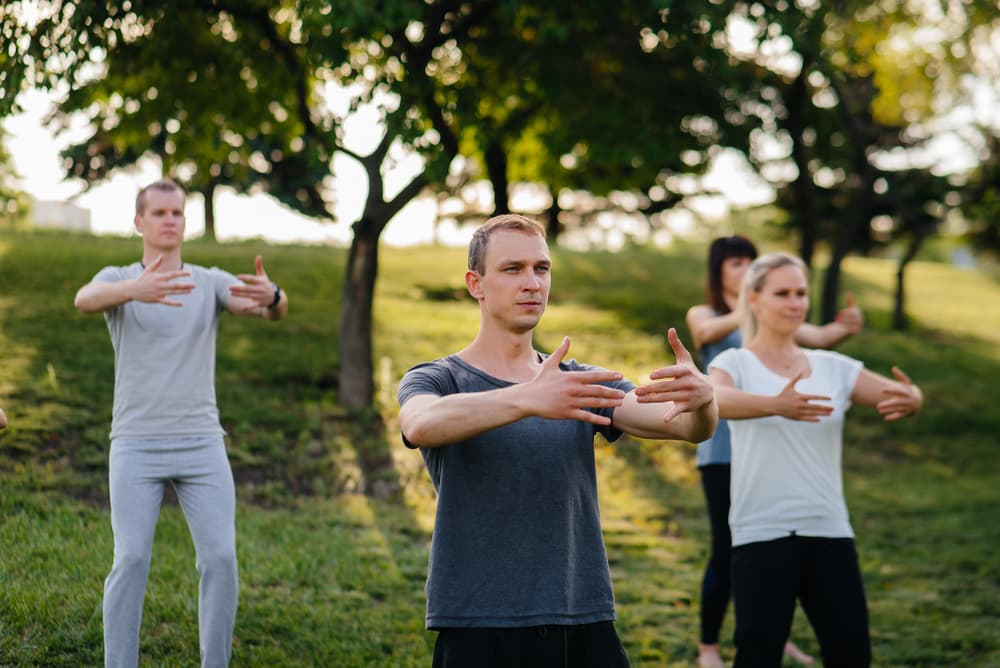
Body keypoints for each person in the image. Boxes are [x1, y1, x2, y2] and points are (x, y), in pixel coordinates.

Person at [397, 214, 718, 668]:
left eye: (541, 268)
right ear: (476, 284)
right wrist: (528, 398)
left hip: (582, 620)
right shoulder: (439, 377)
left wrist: (703, 400)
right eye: (513, 269)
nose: (532, 283)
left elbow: (684, 427)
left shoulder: (578, 381)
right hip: (479, 625)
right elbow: (420, 424)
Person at [74, 178, 289, 668]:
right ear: (139, 222)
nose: (170, 221)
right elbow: (83, 300)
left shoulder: (208, 281)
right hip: (134, 444)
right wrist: (135, 289)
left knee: (220, 560)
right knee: (129, 560)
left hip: (201, 445)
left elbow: (264, 309)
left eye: (177, 213)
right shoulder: (118, 277)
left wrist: (274, 296)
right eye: (160, 213)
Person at [707, 252, 922, 667]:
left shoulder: (834, 367)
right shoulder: (734, 362)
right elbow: (715, 399)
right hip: (761, 531)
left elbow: (900, 394)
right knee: (757, 656)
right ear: (754, 299)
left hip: (828, 529)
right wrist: (775, 404)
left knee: (851, 653)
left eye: (801, 293)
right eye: (782, 293)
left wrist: (913, 398)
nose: (794, 303)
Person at [685, 236, 863, 668]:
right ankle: (710, 644)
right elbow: (705, 334)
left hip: (774, 440)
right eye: (736, 263)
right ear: (719, 270)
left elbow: (817, 335)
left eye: (750, 260)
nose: (745, 266)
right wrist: (752, 305)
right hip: (721, 444)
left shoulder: (777, 314)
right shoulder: (708, 313)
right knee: (729, 548)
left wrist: (845, 325)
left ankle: (775, 630)